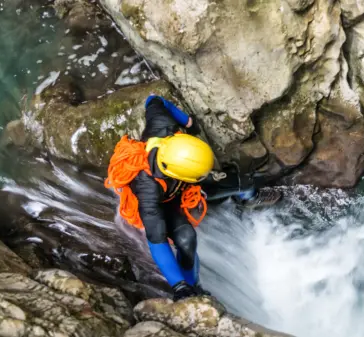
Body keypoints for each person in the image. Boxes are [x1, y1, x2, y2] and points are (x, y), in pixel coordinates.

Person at [105, 95, 282, 300]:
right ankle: (191, 287)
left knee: (246, 182)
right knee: (186, 239)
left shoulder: (164, 127)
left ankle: (248, 198)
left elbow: (153, 100)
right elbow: (157, 240)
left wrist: (187, 121)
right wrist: (178, 285)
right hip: (167, 202)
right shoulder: (147, 190)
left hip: (185, 182)